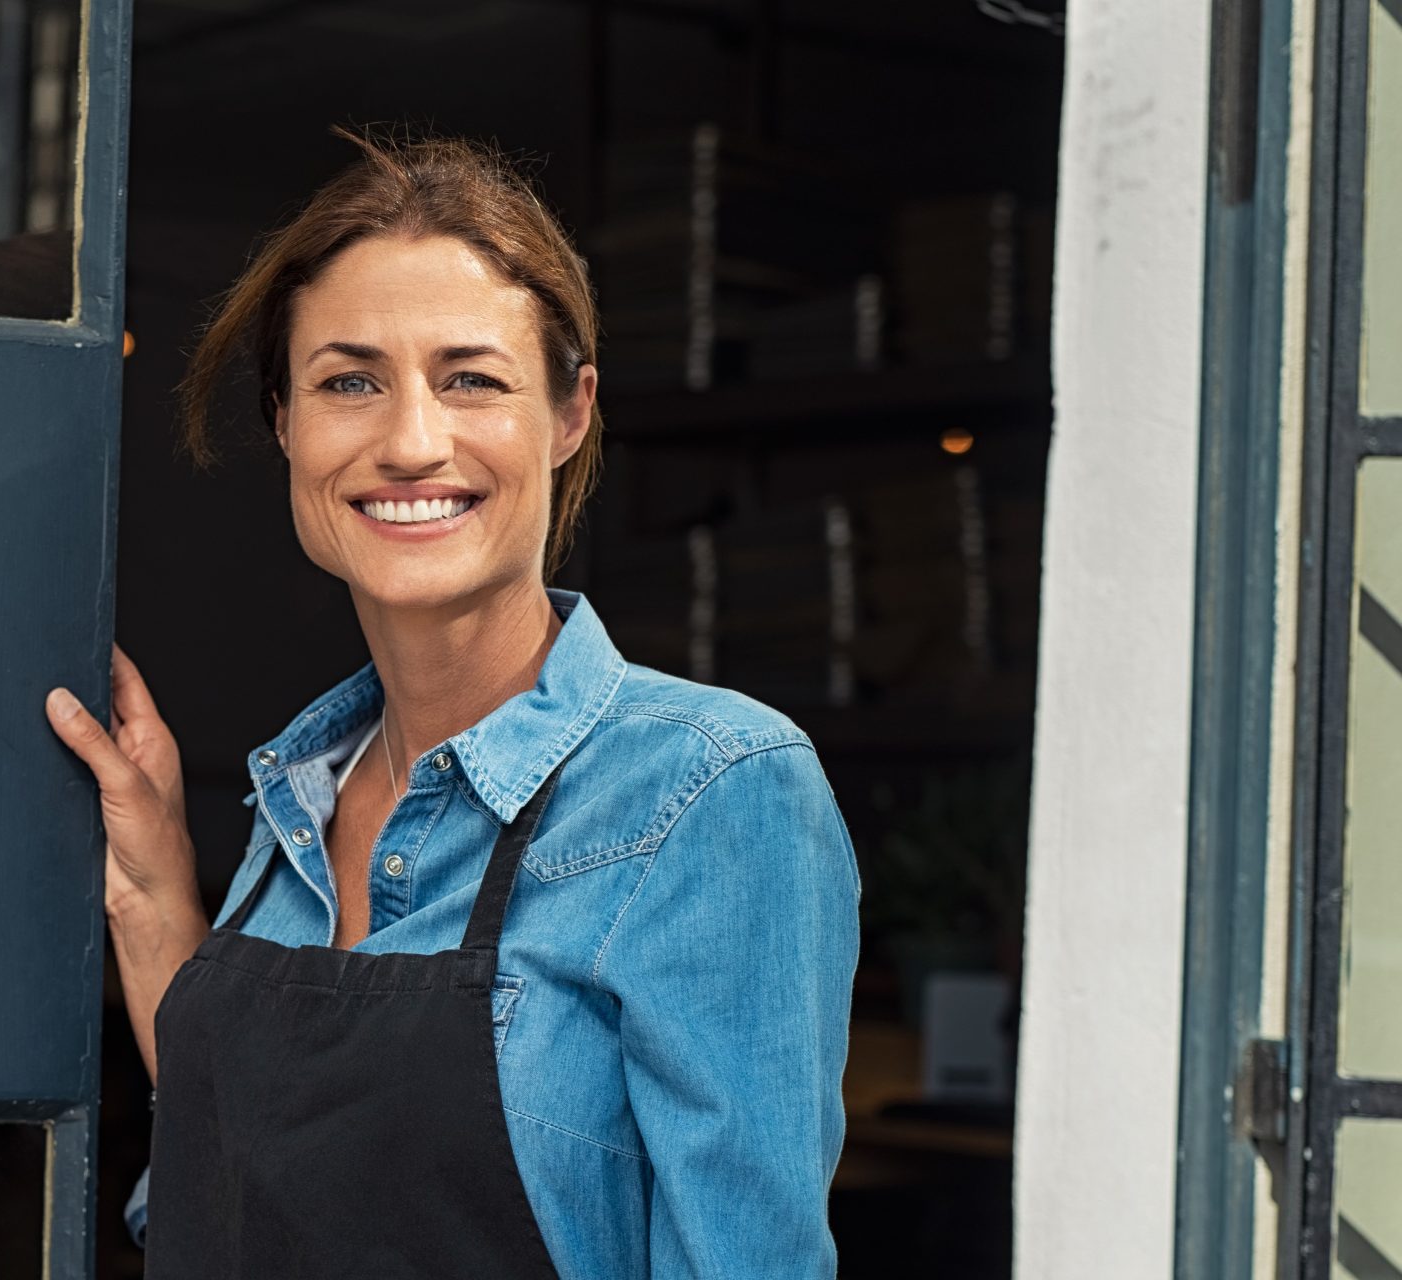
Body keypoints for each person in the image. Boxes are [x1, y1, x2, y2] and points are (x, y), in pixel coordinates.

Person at [44, 130, 859, 1278]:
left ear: (569, 412)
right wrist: (152, 893)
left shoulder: (707, 791)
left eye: (471, 378)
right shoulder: (296, 800)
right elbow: (239, 1189)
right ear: (284, 422)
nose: (411, 440)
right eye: (348, 382)